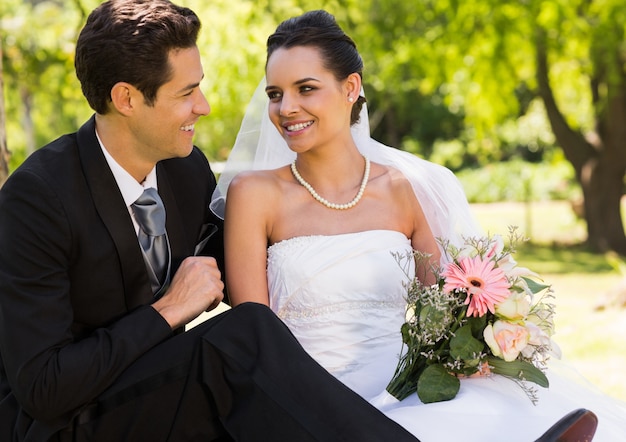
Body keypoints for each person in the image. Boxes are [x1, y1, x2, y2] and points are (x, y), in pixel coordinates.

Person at [0, 2, 426, 440]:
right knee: (238, 338)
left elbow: (255, 259)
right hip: (63, 422)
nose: (202, 107)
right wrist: (166, 311)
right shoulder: (38, 197)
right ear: (126, 98)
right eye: (186, 93)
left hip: (157, 392)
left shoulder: (185, 171)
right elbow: (43, 388)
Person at [213, 9, 626, 441]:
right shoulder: (254, 194)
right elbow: (253, 336)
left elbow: (450, 313)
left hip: (407, 392)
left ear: (350, 88)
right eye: (275, 93)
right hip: (305, 399)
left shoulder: (406, 190)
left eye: (306, 89)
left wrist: (480, 343)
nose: (286, 108)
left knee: (483, 412)